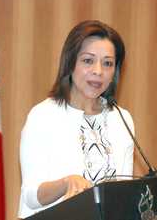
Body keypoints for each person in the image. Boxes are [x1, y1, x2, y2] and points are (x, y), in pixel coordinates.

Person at [18, 20, 134, 219]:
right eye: (88, 60)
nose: (98, 71)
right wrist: (65, 183)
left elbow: (125, 193)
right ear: (70, 62)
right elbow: (30, 196)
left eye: (107, 63)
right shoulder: (43, 116)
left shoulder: (121, 119)